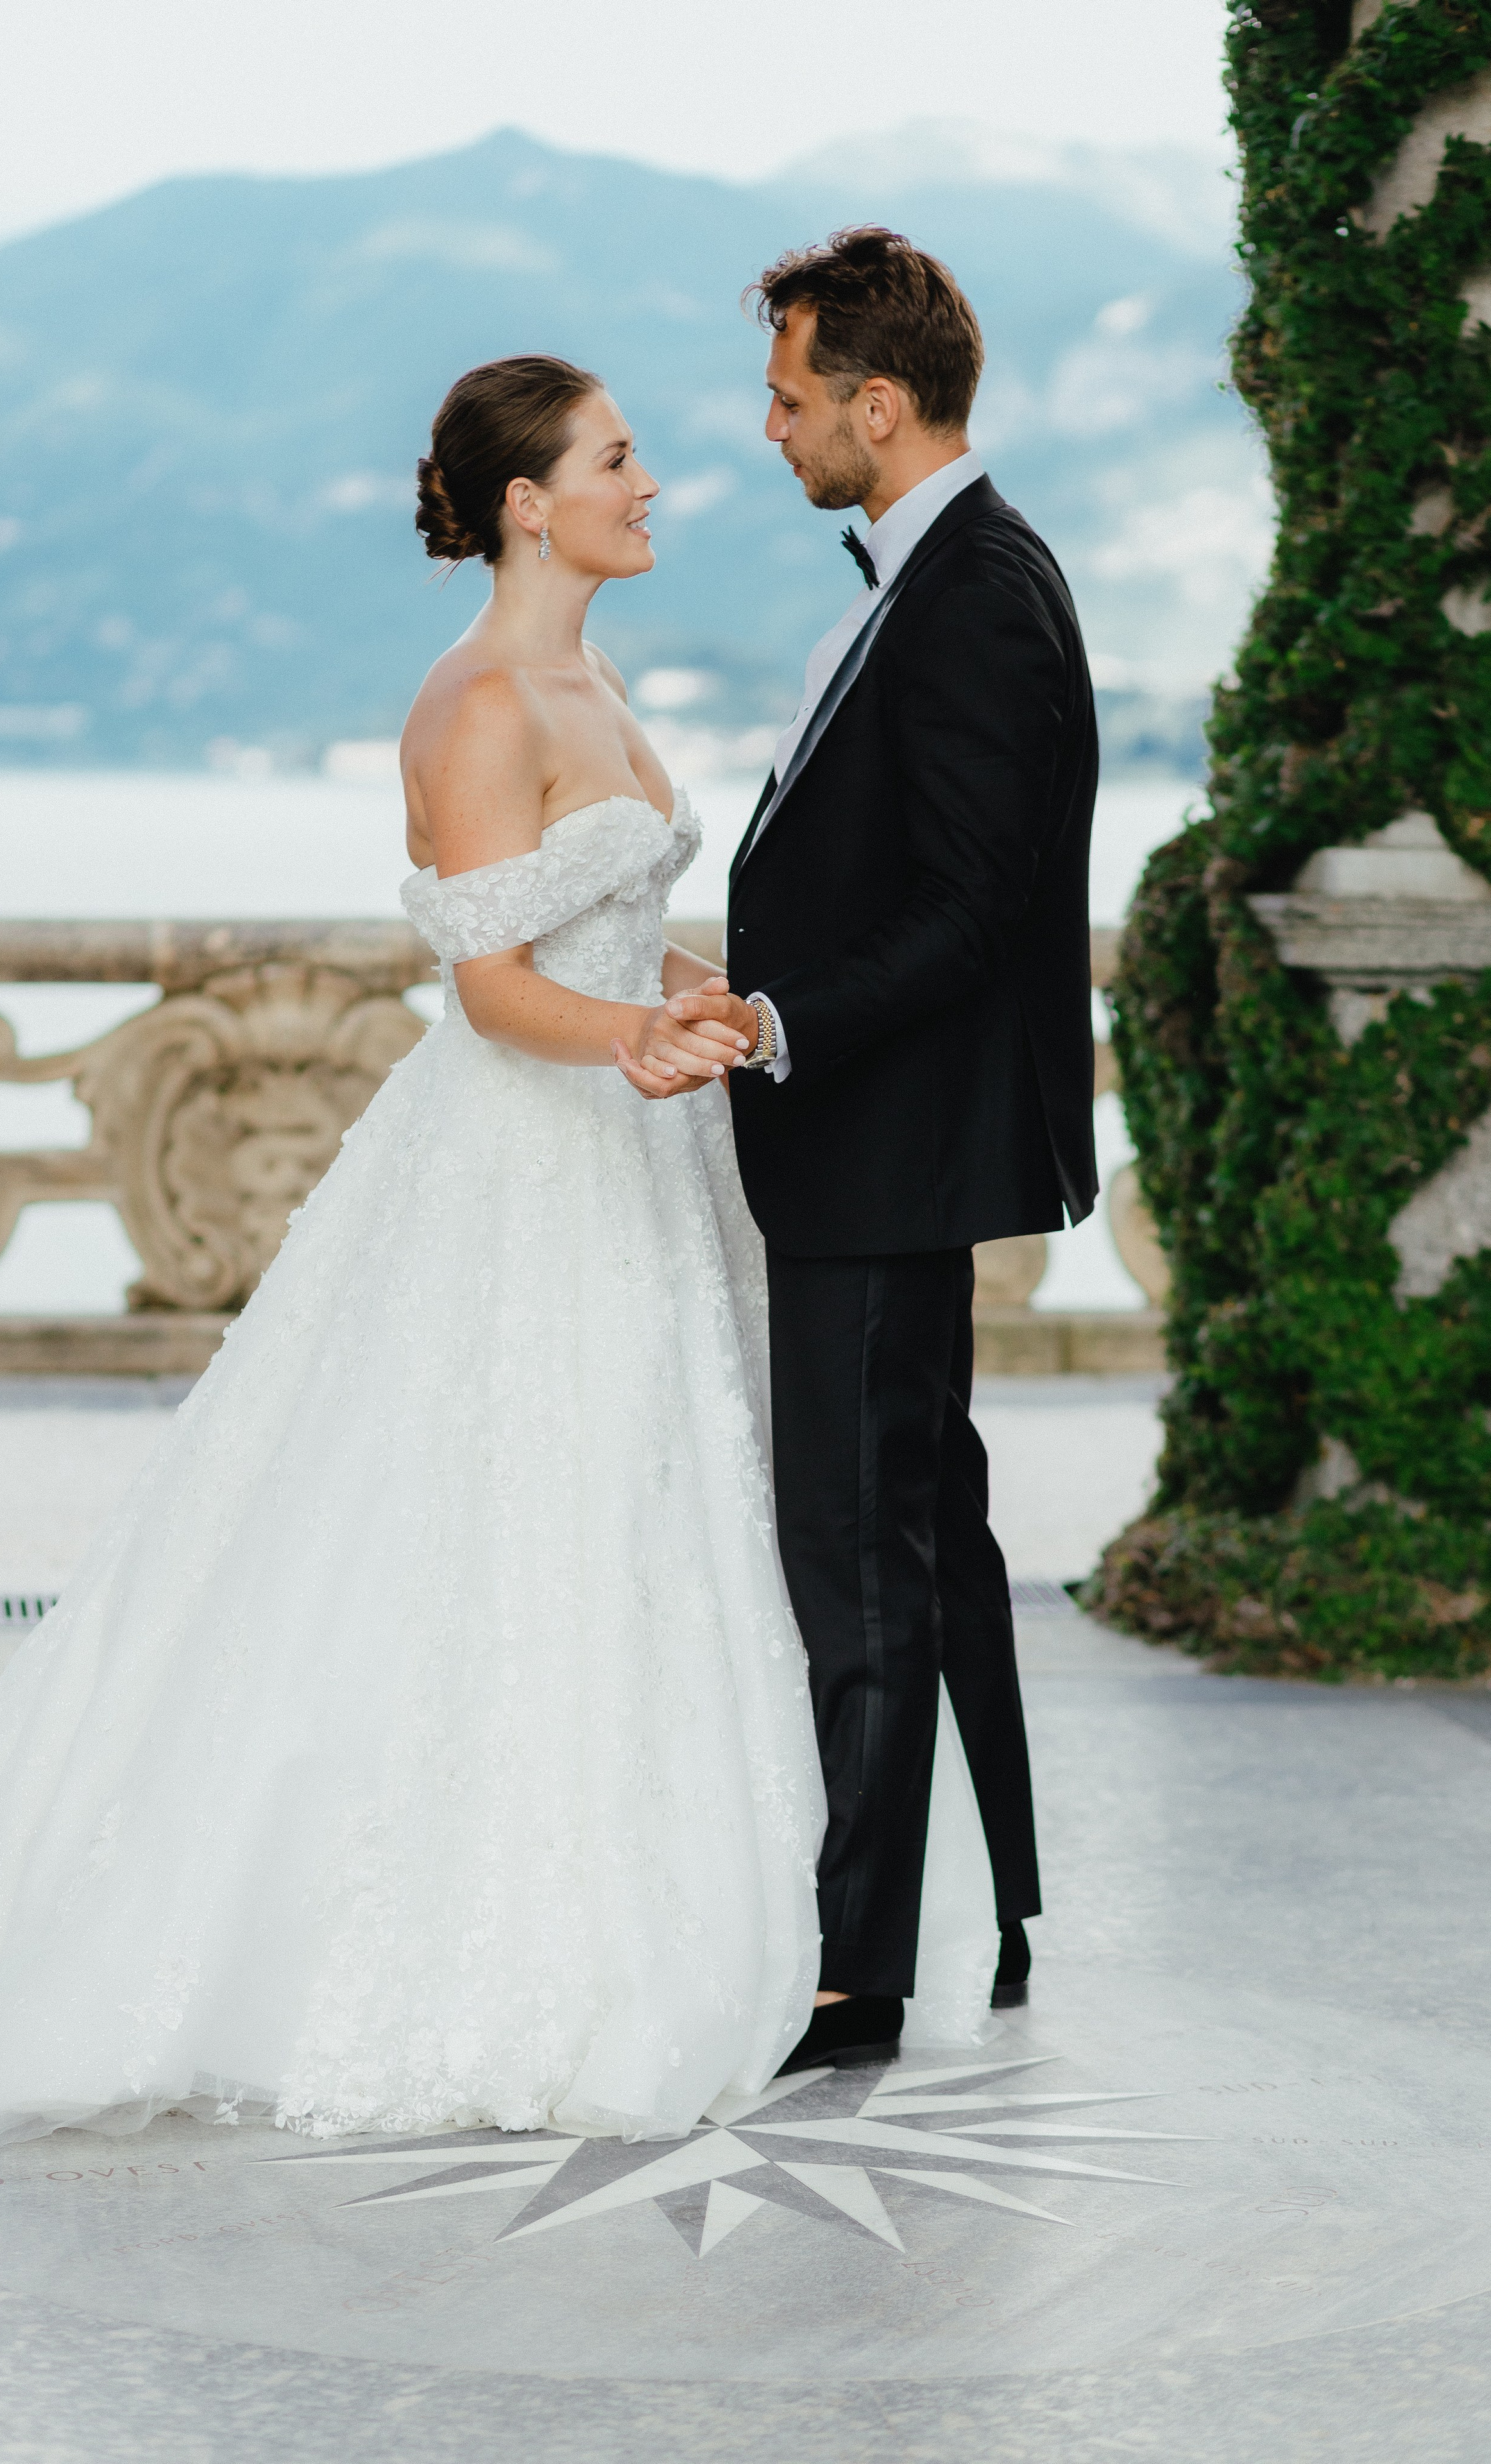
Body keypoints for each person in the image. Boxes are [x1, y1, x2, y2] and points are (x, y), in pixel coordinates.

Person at [0, 354, 997, 2157]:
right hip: (531, 1169)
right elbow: (492, 991)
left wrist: (701, 1003)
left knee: (643, 1522)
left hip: (648, 1161)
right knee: (488, 1523)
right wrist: (624, 1038)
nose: (654, 482)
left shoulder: (594, 679)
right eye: (619, 461)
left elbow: (612, 929)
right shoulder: (474, 704)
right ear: (530, 501)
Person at [644, 230, 1099, 2070]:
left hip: (887, 1145)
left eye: (787, 397)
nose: (769, 431)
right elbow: (899, 871)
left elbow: (979, 908)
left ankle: (853, 1976)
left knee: (855, 1555)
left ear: (876, 403)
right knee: (929, 1534)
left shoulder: (977, 586)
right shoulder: (940, 572)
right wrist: (757, 980)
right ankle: (986, 1891)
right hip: (879, 1136)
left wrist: (777, 1025)